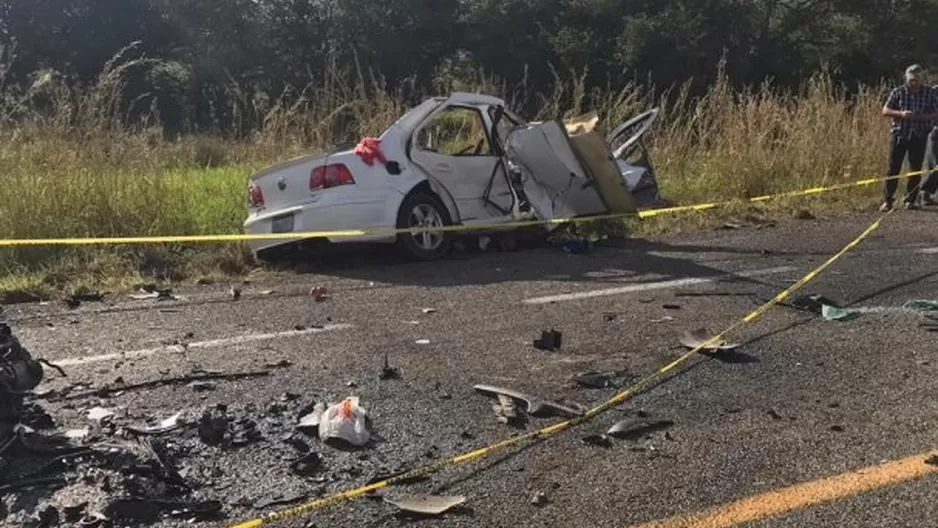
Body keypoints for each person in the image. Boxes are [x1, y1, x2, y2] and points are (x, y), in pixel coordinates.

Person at [880, 64, 938, 211]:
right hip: (900, 133)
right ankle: (888, 200)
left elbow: (935, 113)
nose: (914, 82)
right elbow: (885, 110)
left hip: (919, 134)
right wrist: (901, 114)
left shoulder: (929, 93)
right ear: (906, 78)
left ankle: (910, 199)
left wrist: (922, 117)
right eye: (911, 79)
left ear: (922, 79)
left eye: (917, 79)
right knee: (893, 168)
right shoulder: (898, 92)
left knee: (915, 167)